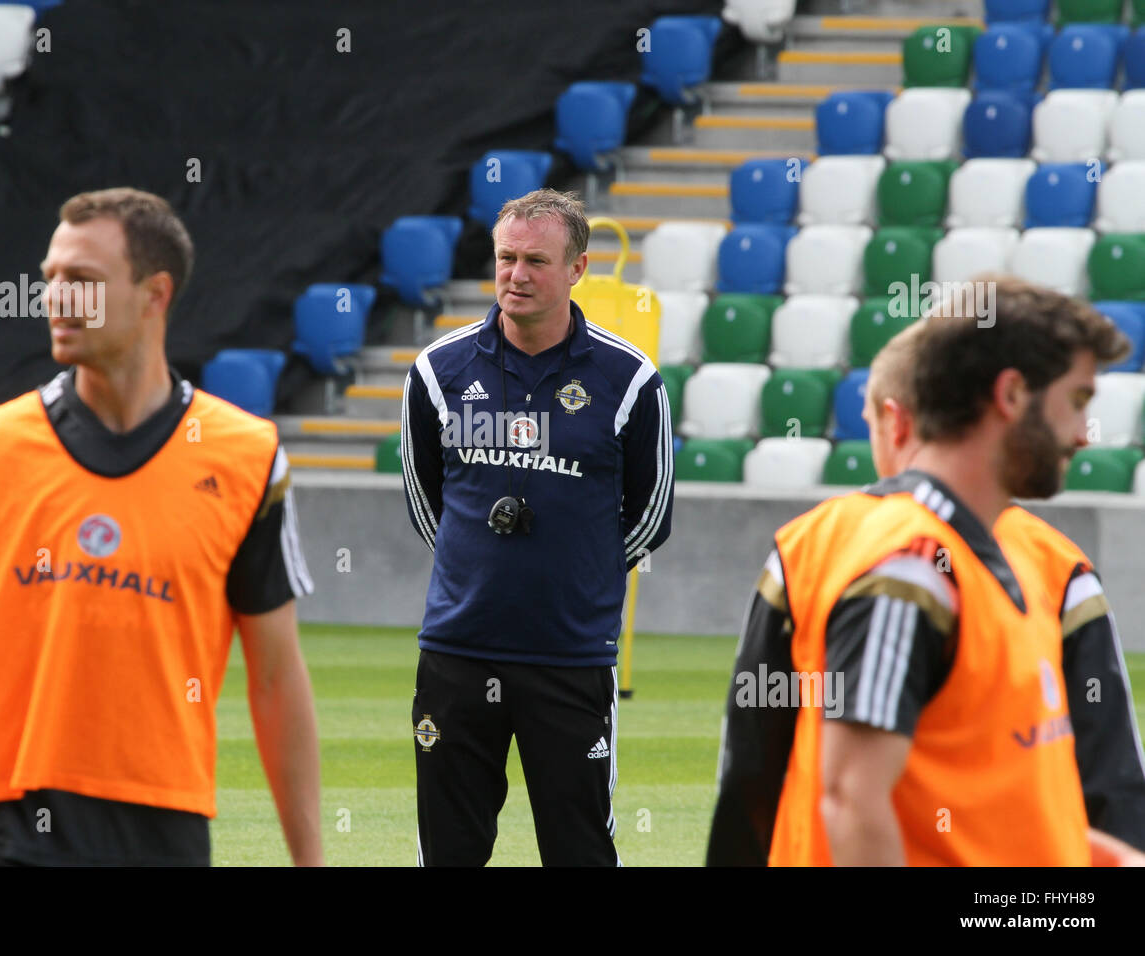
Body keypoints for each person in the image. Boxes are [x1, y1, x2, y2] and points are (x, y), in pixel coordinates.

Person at [0, 187, 323, 867]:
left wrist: (310, 862)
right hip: (9, 828)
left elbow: (277, 677)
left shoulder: (247, 458)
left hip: (166, 830)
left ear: (154, 293)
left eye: (82, 280)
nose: (55, 298)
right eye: (49, 279)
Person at [708, 275, 1143, 865]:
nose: (1084, 435)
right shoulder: (912, 566)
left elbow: (987, 811)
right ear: (1012, 395)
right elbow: (851, 801)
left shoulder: (986, 554)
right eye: (1078, 400)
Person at [400, 188, 673, 866]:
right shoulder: (437, 372)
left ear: (578, 269)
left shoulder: (631, 381)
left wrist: (578, 575)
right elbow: (425, 504)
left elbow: (651, 514)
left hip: (570, 658)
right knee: (448, 851)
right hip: (458, 654)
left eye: (535, 262)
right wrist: (483, 572)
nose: (516, 276)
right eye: (505, 258)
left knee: (579, 849)